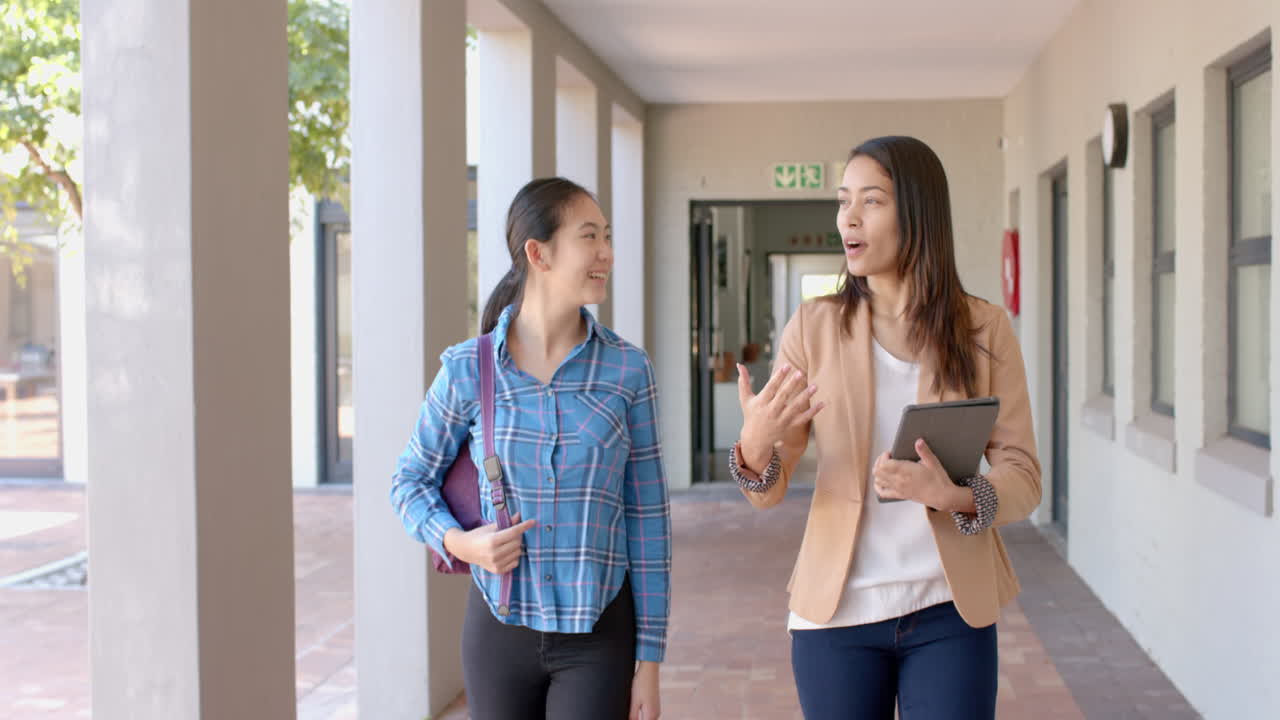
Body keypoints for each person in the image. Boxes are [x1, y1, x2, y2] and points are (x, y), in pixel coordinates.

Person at [729, 136, 1041, 719]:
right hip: (836, 616)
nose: (849, 216)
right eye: (844, 200)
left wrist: (954, 496)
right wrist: (754, 441)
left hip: (951, 608)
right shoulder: (814, 327)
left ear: (917, 213)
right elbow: (766, 491)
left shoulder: (983, 328)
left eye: (870, 201)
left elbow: (1023, 473)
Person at [390, 177, 671, 720]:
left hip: (600, 633)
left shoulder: (628, 371)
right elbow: (409, 481)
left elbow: (648, 520)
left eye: (607, 237)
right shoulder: (470, 369)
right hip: (498, 633)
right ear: (538, 253)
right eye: (590, 237)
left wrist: (651, 662)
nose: (607, 253)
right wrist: (460, 543)